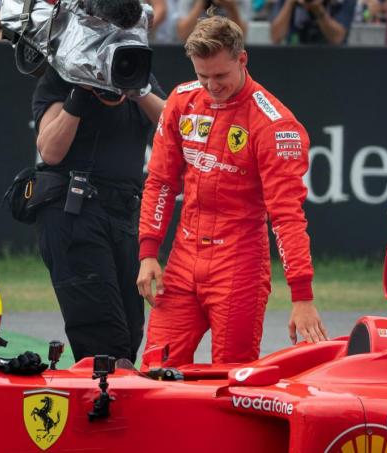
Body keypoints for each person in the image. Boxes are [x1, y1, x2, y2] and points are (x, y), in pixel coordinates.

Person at [137, 16, 326, 367]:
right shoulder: (181, 101)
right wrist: (148, 252)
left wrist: (302, 296)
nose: (211, 86)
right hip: (183, 259)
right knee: (156, 371)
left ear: (242, 60)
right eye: (202, 76)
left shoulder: (276, 125)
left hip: (239, 266)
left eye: (220, 76)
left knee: (230, 380)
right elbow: (160, 181)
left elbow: (286, 216)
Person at [31, 62, 165, 363]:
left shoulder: (134, 69)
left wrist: (137, 90)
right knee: (103, 336)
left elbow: (176, 123)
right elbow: (50, 152)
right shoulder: (63, 73)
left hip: (123, 212)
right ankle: (104, 400)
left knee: (130, 331)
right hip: (73, 211)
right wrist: (81, 91)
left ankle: (111, 400)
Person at [270, 0, 357, 45]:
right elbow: (276, 37)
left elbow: (337, 38)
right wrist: (289, 3)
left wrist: (318, 10)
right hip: (295, 58)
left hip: (332, 59)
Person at [176, 0, 251, 42]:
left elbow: (241, 37)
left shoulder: (241, 2)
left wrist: (231, 7)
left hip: (228, 47)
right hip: (196, 46)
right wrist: (201, 3)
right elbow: (183, 35)